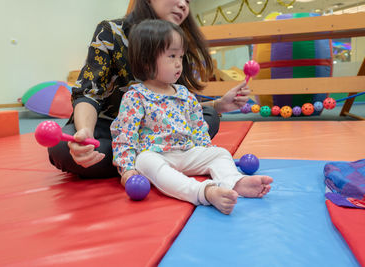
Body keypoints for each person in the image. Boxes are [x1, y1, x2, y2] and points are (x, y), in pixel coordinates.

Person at [48, 0, 251, 179]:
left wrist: (218, 104)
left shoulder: (176, 42)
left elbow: (175, 104)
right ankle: (153, 160)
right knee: (61, 147)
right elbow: (89, 92)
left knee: (209, 117)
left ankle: (147, 161)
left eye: (188, 1)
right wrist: (85, 135)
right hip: (114, 129)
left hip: (160, 133)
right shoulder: (111, 31)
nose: (183, 5)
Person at [110, 19, 273, 215]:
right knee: (144, 161)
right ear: (146, 61)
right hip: (157, 155)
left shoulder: (184, 94)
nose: (179, 63)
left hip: (187, 152)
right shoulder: (136, 96)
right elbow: (125, 136)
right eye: (171, 56)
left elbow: (198, 126)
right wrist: (127, 169)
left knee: (220, 153)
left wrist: (205, 150)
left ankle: (234, 181)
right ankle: (204, 192)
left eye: (180, 56)